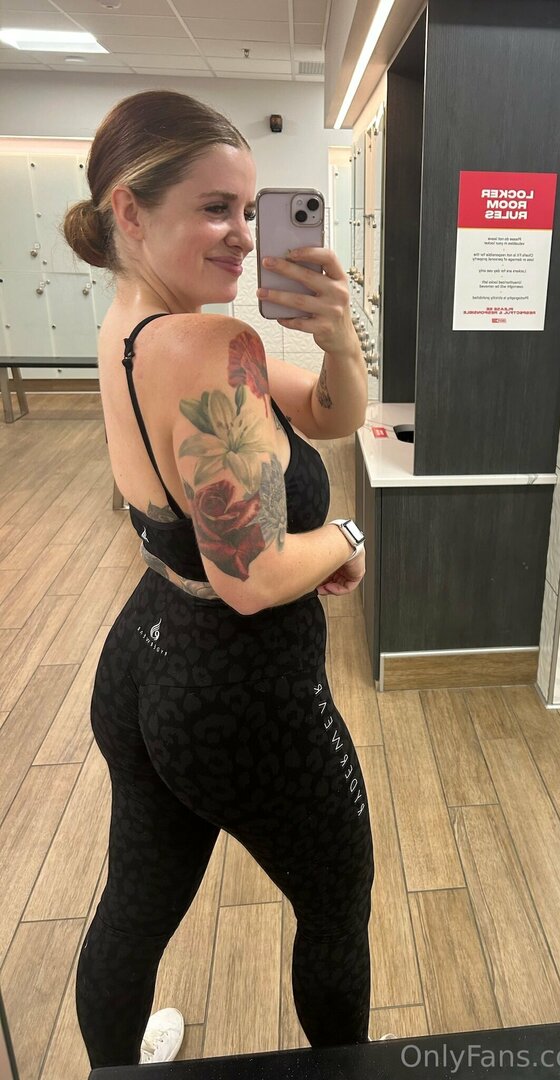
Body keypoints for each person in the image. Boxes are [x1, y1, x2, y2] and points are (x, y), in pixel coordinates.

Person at [61, 89, 376, 1069]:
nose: (243, 234)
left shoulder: (137, 327)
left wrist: (338, 337)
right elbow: (255, 576)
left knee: (135, 901)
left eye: (250, 208)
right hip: (240, 691)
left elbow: (328, 413)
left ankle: (114, 1070)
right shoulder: (209, 349)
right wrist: (347, 534)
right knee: (337, 908)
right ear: (129, 210)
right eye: (214, 208)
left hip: (146, 658)